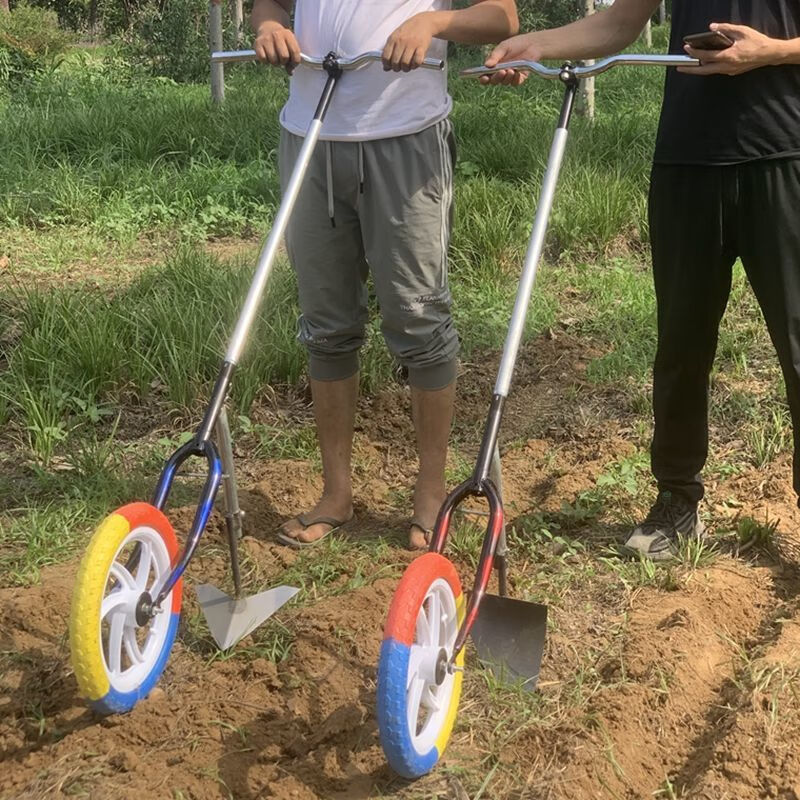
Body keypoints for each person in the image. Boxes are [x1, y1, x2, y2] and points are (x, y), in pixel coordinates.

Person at [484, 1, 800, 560]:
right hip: (687, 162)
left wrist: (771, 52)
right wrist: (536, 45)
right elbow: (616, 23)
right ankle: (677, 500)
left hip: (786, 156)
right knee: (681, 344)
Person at [251, 0, 518, 549]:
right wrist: (269, 26)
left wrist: (433, 22)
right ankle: (335, 494)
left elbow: (502, 17)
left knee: (419, 319)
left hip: (406, 137)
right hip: (310, 138)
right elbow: (271, 4)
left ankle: (430, 494)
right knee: (325, 324)